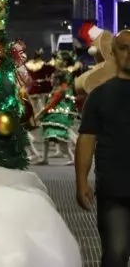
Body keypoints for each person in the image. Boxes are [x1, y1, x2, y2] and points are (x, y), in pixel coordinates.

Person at [75, 29, 130, 267]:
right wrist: (81, 181)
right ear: (114, 53)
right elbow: (87, 138)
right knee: (115, 255)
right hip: (113, 190)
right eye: (124, 48)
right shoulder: (99, 96)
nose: (129, 54)